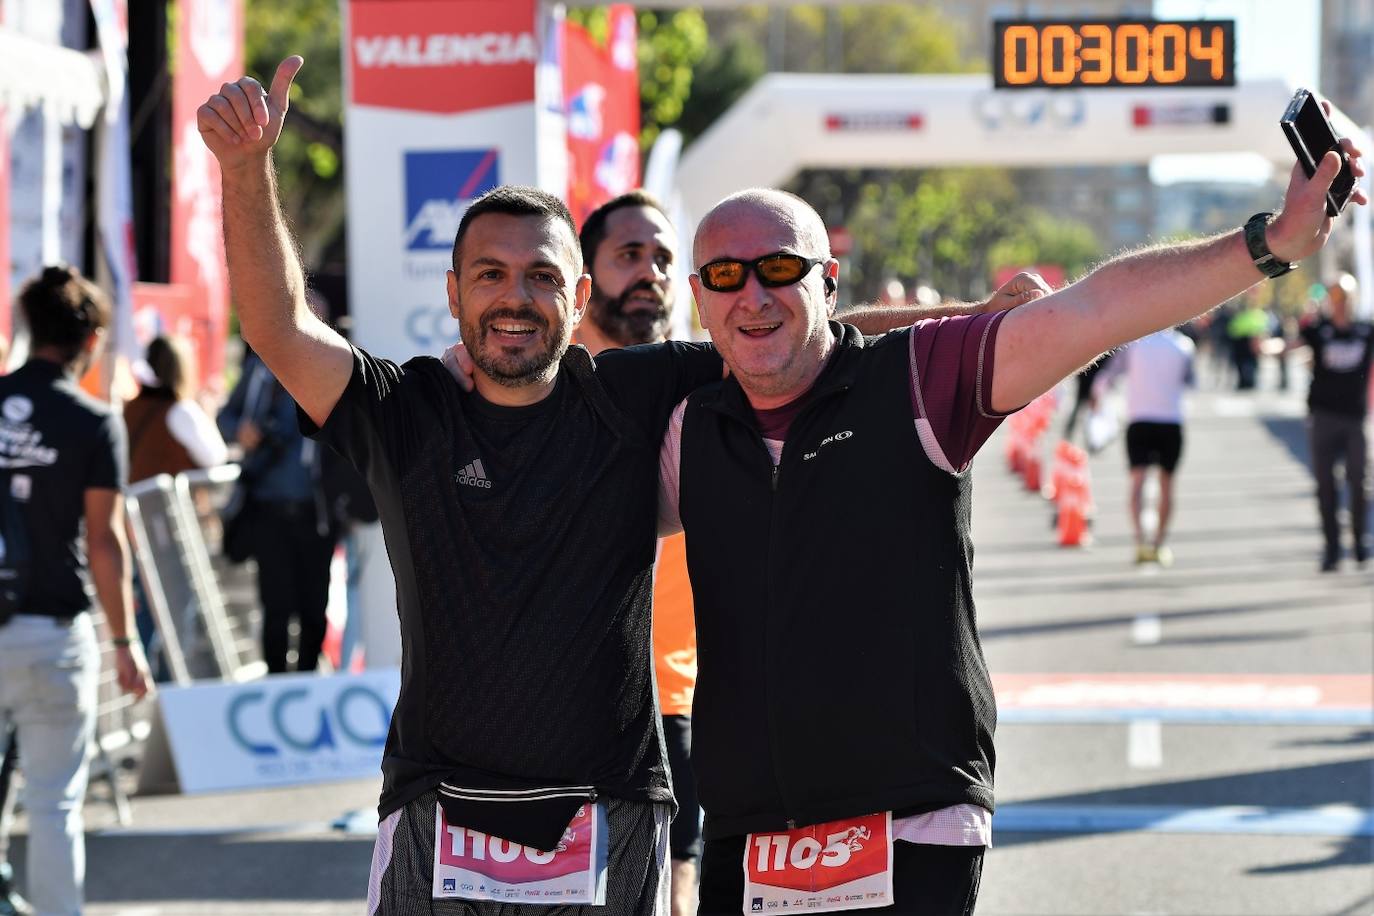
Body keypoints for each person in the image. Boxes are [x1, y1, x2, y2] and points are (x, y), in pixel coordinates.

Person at [198, 58, 1047, 915]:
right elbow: (278, 327)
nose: (514, 299)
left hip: (609, 809)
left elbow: (794, 332)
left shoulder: (635, 392)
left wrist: (974, 316)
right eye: (489, 275)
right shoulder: (406, 410)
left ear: (575, 296)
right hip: (437, 807)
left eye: (539, 278)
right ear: (453, 293)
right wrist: (244, 167)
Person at [659, 138, 1362, 915]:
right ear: (699, 293)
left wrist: (1267, 244)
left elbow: (1093, 311)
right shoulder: (684, 423)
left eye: (781, 269)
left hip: (912, 818)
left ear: (828, 281)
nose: (753, 295)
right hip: (746, 835)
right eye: (727, 276)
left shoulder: (917, 380)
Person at [0, 265, 152, 916]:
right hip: (56, 634)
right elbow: (104, 541)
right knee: (55, 802)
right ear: (89, 340)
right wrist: (125, 641)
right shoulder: (94, 421)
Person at [217, 344, 339, 674]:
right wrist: (240, 430)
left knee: (314, 607)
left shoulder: (334, 366)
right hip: (268, 507)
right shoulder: (260, 368)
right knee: (275, 606)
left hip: (316, 510)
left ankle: (309, 679)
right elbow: (225, 417)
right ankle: (276, 685)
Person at [1091, 328, 1196, 566]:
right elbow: (1191, 381)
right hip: (1171, 419)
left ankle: (1139, 541)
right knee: (1167, 484)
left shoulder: (1134, 344)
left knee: (1138, 481)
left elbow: (1110, 374)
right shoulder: (1184, 346)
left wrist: (1098, 396)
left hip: (1139, 419)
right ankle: (1159, 544)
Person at [1292, 273, 1373, 570]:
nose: (1340, 305)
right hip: (1323, 416)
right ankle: (1332, 548)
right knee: (1326, 485)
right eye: (1335, 299)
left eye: (1345, 299)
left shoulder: (1365, 331)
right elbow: (1292, 346)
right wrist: (1267, 347)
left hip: (1354, 419)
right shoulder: (1319, 330)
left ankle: (1360, 543)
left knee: (1358, 481)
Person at [126, 335, 228, 483]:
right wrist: (209, 415)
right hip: (167, 504)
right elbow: (216, 457)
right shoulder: (182, 410)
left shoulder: (132, 407)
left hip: (135, 500)